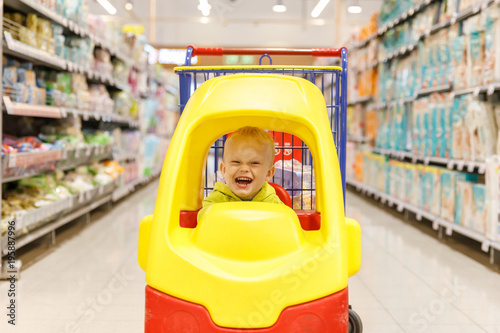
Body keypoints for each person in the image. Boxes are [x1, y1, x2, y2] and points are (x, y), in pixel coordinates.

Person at [198, 126, 283, 220]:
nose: (244, 169)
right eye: (236, 162)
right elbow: (203, 218)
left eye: (254, 163)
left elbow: (285, 223)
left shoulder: (273, 202)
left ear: (268, 173)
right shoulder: (217, 199)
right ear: (223, 169)